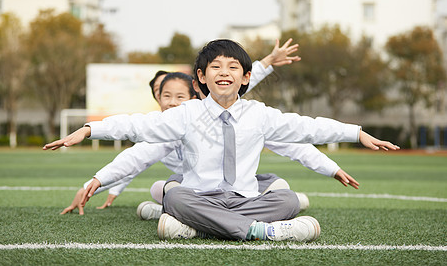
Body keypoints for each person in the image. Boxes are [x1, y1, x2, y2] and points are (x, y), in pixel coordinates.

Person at [44, 39, 399, 242]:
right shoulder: (185, 115)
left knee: (288, 199)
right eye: (215, 67)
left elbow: (306, 129)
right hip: (199, 197)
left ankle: (201, 227)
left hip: (244, 199)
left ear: (245, 77)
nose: (224, 73)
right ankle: (264, 232)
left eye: (233, 68)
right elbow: (140, 127)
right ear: (201, 77)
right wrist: (91, 130)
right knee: (175, 194)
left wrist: (356, 133)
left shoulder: (259, 114)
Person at [62, 39, 320, 214]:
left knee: (273, 184)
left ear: (195, 93)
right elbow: (134, 159)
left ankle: (280, 202)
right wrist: (97, 185)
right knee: (166, 190)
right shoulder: (169, 125)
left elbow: (240, 82)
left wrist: (267, 62)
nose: (170, 102)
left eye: (178, 96)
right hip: (194, 191)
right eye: (162, 94)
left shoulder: (210, 110)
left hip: (233, 189)